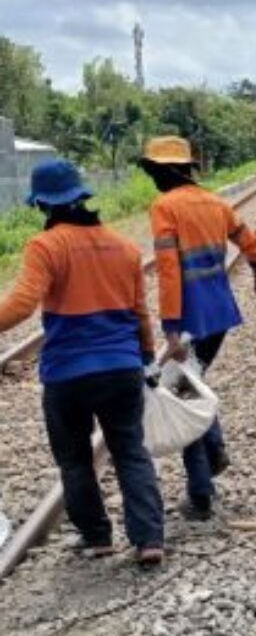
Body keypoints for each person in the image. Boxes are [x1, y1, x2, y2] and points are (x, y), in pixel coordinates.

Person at [0, 159, 164, 564]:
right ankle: (148, 540)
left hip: (67, 375)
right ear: (82, 196)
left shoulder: (46, 245)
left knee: (74, 459)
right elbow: (140, 313)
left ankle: (97, 537)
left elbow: (22, 303)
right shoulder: (124, 248)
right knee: (130, 450)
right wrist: (146, 358)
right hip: (122, 368)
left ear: (42, 204)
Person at [139, 136, 256, 520]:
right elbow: (248, 240)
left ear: (167, 171)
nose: (152, 179)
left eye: (153, 171)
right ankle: (213, 452)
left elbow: (168, 272)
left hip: (190, 317)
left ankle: (201, 492)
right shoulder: (216, 203)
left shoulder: (165, 206)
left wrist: (170, 329)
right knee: (190, 383)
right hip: (218, 314)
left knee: (182, 394)